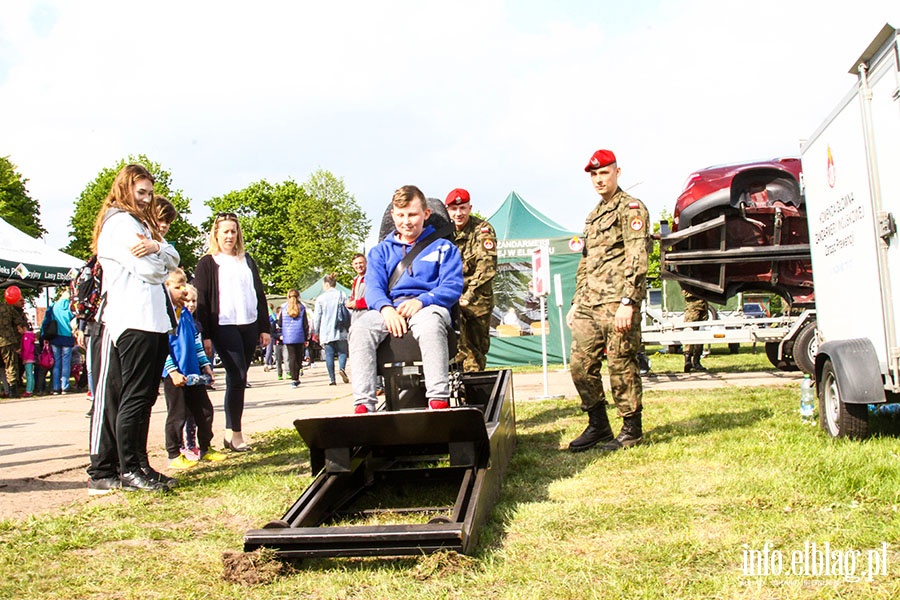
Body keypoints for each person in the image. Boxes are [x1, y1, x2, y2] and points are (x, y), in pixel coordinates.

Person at [88, 163, 180, 494]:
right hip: (133, 319)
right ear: (125, 188)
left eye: (149, 193)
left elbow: (172, 255)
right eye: (140, 192)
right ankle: (128, 468)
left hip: (153, 321)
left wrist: (157, 248)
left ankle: (140, 463)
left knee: (145, 398)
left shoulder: (140, 224)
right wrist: (160, 259)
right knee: (133, 396)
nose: (145, 199)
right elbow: (150, 272)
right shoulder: (119, 224)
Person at [349, 185, 463, 413]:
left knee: (430, 324)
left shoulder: (444, 248)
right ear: (393, 215)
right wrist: (385, 309)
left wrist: (423, 301)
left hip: (429, 306)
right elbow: (373, 289)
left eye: (412, 214)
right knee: (360, 328)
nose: (406, 221)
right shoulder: (379, 252)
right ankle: (364, 404)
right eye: (400, 215)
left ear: (426, 214)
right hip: (391, 309)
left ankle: (438, 400)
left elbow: (452, 286)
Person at [566, 149, 651, 453]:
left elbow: (638, 256)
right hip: (590, 303)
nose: (599, 179)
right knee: (579, 364)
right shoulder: (594, 214)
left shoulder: (631, 208)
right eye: (594, 174)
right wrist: (577, 301)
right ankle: (599, 425)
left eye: (604, 173)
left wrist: (629, 301)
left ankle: (631, 429)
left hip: (618, 302)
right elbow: (586, 261)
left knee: (620, 365)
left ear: (617, 172)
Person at [193, 212, 270, 453]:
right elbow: (202, 299)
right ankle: (234, 433)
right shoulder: (208, 262)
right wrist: (204, 334)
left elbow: (259, 294)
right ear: (216, 234)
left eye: (233, 231)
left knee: (240, 377)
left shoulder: (246, 260)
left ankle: (231, 432)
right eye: (225, 231)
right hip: (223, 325)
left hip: (248, 323)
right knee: (236, 375)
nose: (229, 236)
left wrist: (264, 328)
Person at [161, 271, 225, 470]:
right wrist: (172, 372)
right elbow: (162, 348)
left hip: (194, 375)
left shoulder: (188, 316)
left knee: (205, 411)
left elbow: (197, 344)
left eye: (184, 287)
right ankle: (174, 453)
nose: (185, 296)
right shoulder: (164, 317)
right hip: (175, 377)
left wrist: (206, 366)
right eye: (178, 288)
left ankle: (205, 447)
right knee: (177, 414)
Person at [445, 187, 497, 372]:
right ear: (447, 210)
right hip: (451, 299)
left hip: (476, 302)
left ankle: (473, 396)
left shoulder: (482, 230)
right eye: (453, 209)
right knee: (454, 352)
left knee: (474, 354)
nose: (458, 213)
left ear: (470, 207)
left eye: (463, 208)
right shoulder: (444, 233)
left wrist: (469, 294)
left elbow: (487, 267)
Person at [313, 275, 350, 386]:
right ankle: (342, 369)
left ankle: (332, 379)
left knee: (329, 354)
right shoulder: (342, 294)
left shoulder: (321, 298)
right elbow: (348, 311)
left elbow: (317, 316)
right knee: (342, 352)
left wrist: (316, 331)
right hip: (341, 328)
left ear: (327, 284)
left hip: (326, 330)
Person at [42, 291, 76, 394]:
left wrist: (44, 335)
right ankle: (65, 386)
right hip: (67, 337)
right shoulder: (71, 307)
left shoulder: (53, 306)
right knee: (66, 363)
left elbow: (46, 321)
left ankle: (56, 387)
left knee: (56, 363)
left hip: (55, 337)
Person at [0, 286, 27, 398]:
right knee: (11, 365)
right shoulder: (8, 308)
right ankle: (13, 391)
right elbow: (19, 323)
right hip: (8, 341)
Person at [279, 289, 310, 388]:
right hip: (299, 335)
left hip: (288, 336)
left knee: (291, 357)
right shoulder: (301, 308)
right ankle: (297, 376)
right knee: (298, 357)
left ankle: (293, 379)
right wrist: (306, 338)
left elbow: (279, 323)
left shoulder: (284, 309)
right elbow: (305, 324)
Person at [682, 289, 709, 373]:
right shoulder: (688, 279)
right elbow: (686, 293)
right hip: (692, 309)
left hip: (703, 307)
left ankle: (697, 361)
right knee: (690, 334)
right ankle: (687, 360)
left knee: (700, 336)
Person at [346, 253, 368, 324]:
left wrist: (358, 303)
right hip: (356, 317)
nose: (358, 266)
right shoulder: (355, 280)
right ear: (352, 265)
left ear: (366, 263)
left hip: (367, 316)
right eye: (356, 264)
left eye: (360, 263)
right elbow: (354, 298)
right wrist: (350, 303)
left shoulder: (371, 278)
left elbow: (375, 298)